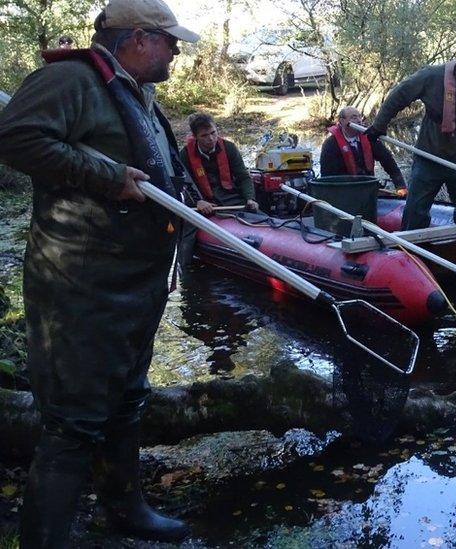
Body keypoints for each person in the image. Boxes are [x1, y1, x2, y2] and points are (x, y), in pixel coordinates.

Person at [0, 0, 199, 545]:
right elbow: (15, 136)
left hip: (136, 285)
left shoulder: (136, 91)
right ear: (137, 39)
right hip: (80, 289)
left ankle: (125, 509)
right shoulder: (69, 79)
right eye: (169, 41)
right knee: (72, 425)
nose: (176, 51)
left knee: (127, 401)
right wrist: (108, 176)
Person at [366, 36, 456, 230]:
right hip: (429, 156)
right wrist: (379, 125)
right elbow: (400, 95)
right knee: (415, 213)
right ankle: (413, 251)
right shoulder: (432, 76)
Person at [180, 111, 258, 215]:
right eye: (204, 135)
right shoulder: (185, 154)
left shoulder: (229, 147)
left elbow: (243, 176)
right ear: (195, 136)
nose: (211, 139)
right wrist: (197, 201)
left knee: (263, 219)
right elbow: (184, 184)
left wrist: (250, 198)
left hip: (232, 201)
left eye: (213, 132)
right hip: (204, 204)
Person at [320, 106, 407, 196]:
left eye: (359, 116)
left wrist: (400, 186)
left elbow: (389, 163)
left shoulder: (370, 138)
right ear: (342, 121)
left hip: (368, 187)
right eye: (354, 117)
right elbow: (327, 177)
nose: (359, 120)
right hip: (344, 190)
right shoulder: (330, 144)